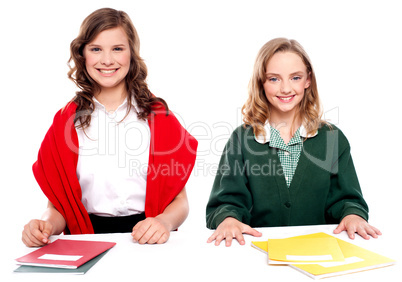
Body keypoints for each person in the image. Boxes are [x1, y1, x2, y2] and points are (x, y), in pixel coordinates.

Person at [22, 8, 198, 247]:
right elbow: (58, 207)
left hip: (149, 238)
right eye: (96, 49)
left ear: (131, 54)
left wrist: (164, 222)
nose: (107, 60)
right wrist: (44, 225)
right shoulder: (66, 122)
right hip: (86, 238)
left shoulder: (160, 118)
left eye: (117, 48)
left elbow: (180, 201)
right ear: (83, 54)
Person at [206, 38, 381, 246]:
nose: (286, 88)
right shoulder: (242, 139)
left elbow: (347, 199)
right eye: (274, 79)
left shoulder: (332, 138)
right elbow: (227, 202)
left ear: (308, 80)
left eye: (295, 77)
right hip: (256, 252)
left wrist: (352, 215)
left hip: (319, 251)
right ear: (261, 82)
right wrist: (228, 219)